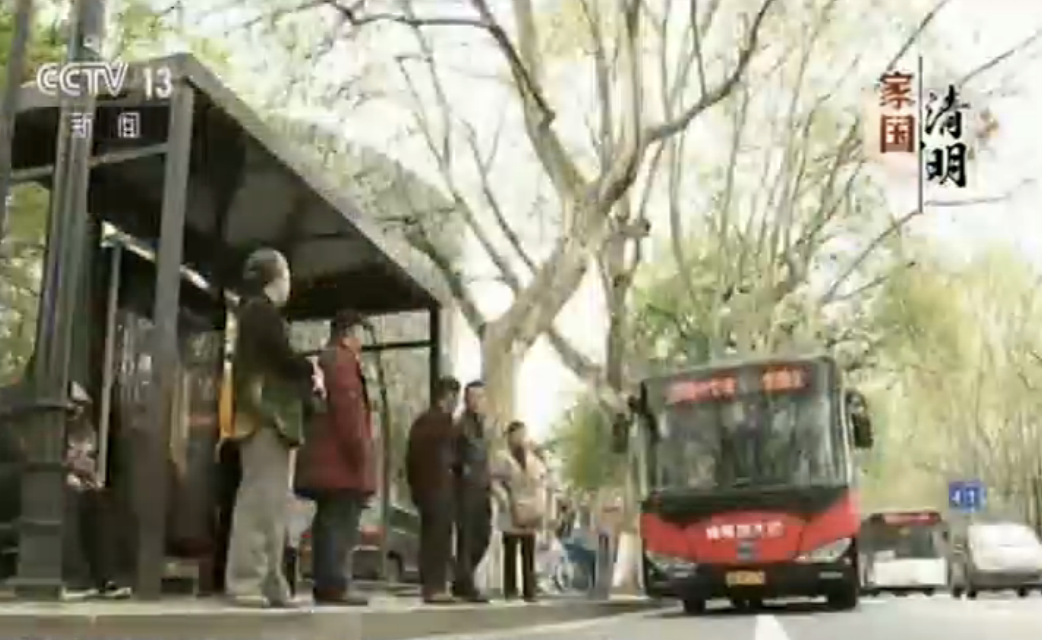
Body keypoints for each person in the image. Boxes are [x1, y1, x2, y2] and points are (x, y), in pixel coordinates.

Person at [224, 248, 323, 608]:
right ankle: (246, 582)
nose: (290, 284)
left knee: (273, 505)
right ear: (275, 278)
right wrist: (310, 368)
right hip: (265, 417)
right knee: (260, 502)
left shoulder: (255, 313)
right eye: (287, 276)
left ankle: (271, 584)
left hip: (268, 419)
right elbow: (281, 358)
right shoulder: (260, 312)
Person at [295, 309, 374, 606]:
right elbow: (348, 411)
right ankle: (335, 584)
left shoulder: (326, 359)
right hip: (339, 459)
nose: (362, 342)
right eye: (360, 334)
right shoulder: (341, 361)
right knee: (340, 522)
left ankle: (327, 583)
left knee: (329, 520)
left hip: (326, 457)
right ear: (348, 333)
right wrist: (360, 453)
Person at [63, 381, 130, 598]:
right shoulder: (46, 425)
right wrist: (68, 469)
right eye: (73, 405)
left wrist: (89, 477)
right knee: (71, 500)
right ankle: (73, 579)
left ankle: (106, 578)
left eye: (81, 405)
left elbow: (87, 463)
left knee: (98, 502)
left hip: (76, 482)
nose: (77, 411)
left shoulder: (85, 431)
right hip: (45, 484)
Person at [406, 377, 461, 604]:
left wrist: (415, 487)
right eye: (454, 397)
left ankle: (430, 585)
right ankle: (435, 586)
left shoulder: (421, 422)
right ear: (447, 396)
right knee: (438, 537)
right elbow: (449, 458)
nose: (456, 402)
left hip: (425, 488)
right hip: (439, 487)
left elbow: (411, 458)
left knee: (430, 536)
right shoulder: (444, 423)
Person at [491, 421, 545, 602]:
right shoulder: (502, 456)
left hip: (530, 508)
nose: (521, 438)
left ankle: (530, 590)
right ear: (510, 435)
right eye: (517, 434)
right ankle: (510, 589)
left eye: (523, 433)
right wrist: (503, 498)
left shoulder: (532, 458)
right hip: (511, 506)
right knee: (510, 550)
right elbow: (495, 480)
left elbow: (541, 479)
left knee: (528, 550)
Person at [452, 380, 492, 602]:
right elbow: (452, 455)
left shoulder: (481, 426)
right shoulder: (461, 425)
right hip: (466, 489)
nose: (478, 401)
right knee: (467, 537)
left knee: (483, 535)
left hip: (482, 488)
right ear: (466, 400)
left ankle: (462, 578)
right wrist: (462, 471)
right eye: (473, 397)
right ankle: (465, 582)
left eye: (481, 397)